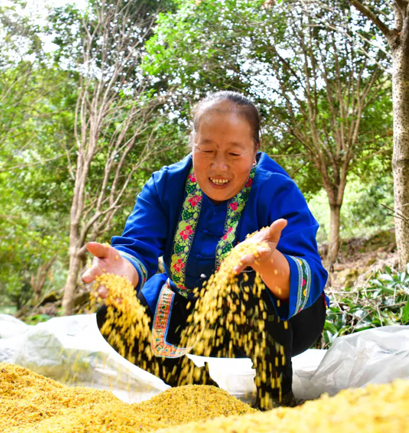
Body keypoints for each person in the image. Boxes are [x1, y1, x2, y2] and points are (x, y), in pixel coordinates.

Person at [82, 91, 328, 408]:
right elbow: (136, 245)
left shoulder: (277, 190)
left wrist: (269, 262)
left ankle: (276, 398)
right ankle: (201, 393)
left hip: (284, 325)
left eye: (234, 153)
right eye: (207, 149)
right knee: (113, 314)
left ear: (255, 150)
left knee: (247, 281)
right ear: (193, 143)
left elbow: (308, 272)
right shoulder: (164, 186)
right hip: (192, 318)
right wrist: (123, 270)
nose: (219, 165)